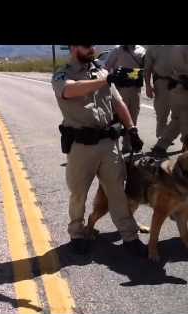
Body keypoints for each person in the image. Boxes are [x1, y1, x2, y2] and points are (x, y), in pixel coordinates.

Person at [52, 44, 147, 257]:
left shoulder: (101, 71)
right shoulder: (62, 74)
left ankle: (129, 236)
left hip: (108, 143)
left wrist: (131, 129)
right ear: (74, 47)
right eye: (86, 45)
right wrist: (106, 80)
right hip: (81, 147)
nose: (91, 48)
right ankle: (77, 233)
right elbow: (69, 90)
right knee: (78, 194)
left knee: (117, 191)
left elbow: (118, 102)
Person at [104, 45, 146, 153]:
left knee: (132, 118)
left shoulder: (141, 50)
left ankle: (127, 146)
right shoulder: (117, 50)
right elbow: (106, 68)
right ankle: (113, 147)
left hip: (135, 90)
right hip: (119, 91)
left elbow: (146, 68)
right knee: (116, 119)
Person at [145, 45, 176, 140]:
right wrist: (148, 86)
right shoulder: (153, 48)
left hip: (179, 82)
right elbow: (147, 68)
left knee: (179, 112)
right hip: (161, 82)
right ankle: (162, 137)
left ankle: (169, 136)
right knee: (162, 112)